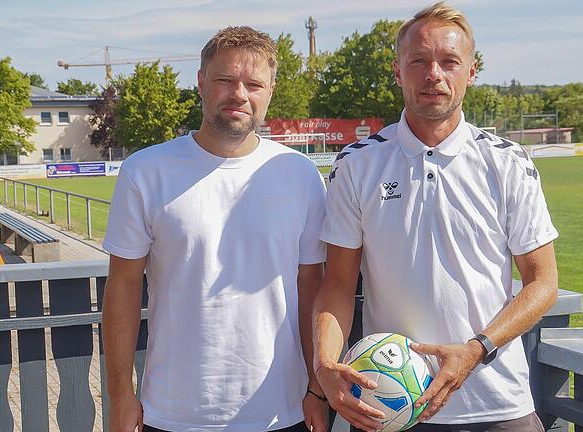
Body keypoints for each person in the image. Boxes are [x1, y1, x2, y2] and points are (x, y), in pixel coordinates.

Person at [312, 3, 559, 432]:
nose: (434, 74)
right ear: (397, 71)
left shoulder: (507, 162)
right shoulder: (357, 165)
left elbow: (543, 283)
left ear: (471, 71)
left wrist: (476, 349)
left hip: (497, 403)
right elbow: (337, 284)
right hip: (387, 408)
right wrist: (325, 366)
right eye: (419, 61)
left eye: (449, 62)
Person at [102, 26, 328, 432]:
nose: (239, 94)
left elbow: (311, 285)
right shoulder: (145, 171)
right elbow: (123, 287)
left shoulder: (300, 174)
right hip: (172, 413)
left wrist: (317, 388)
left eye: (254, 84)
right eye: (225, 80)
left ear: (270, 91)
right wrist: (120, 395)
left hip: (281, 411)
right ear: (202, 82)